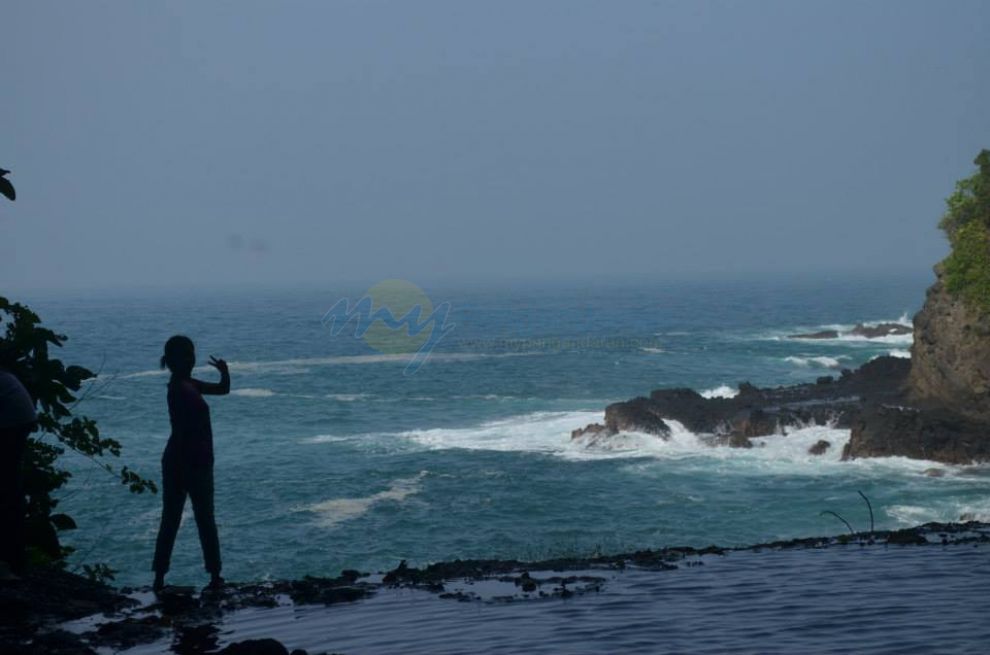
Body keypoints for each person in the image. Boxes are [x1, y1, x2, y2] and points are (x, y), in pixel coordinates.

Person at [152, 335, 230, 591]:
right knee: (183, 518)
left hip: (192, 461)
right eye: (185, 354)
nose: (190, 359)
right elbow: (186, 431)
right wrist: (190, 465)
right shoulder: (178, 389)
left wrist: (224, 372)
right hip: (186, 463)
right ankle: (163, 575)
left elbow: (223, 390)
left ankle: (211, 573)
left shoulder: (187, 384)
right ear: (172, 360)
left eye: (191, 353)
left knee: (200, 518)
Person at [0, 358, 37, 578]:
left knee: (6, 491)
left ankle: (11, 558)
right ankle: (14, 557)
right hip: (19, 421)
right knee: (9, 489)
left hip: (10, 425)